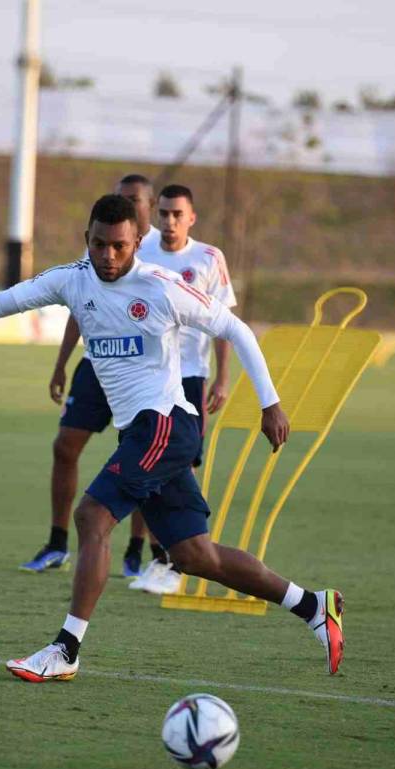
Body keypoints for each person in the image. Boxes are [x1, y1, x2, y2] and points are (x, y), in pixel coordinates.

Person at [0, 194, 345, 680]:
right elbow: (5, 300)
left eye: (119, 246)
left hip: (165, 426)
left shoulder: (162, 286)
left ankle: (66, 649)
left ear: (138, 241)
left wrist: (270, 403)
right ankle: (312, 605)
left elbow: (237, 328)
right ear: (86, 240)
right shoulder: (72, 279)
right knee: (195, 556)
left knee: (92, 516)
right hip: (140, 433)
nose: (108, 256)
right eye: (99, 245)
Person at [21, 173, 161, 575]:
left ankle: (136, 551)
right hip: (97, 364)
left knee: (143, 460)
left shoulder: (158, 257)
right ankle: (56, 544)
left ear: (148, 205)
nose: (126, 203)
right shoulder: (101, 249)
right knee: (64, 446)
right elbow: (80, 304)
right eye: (121, 197)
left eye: (134, 198)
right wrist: (62, 363)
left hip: (141, 373)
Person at [129, 183, 237, 594]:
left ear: (192, 217)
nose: (170, 221)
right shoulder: (142, 252)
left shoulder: (209, 258)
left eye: (179, 214)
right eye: (165, 214)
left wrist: (222, 378)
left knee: (182, 468)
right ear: (156, 215)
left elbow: (224, 323)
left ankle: (177, 562)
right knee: (145, 463)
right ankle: (162, 560)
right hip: (150, 377)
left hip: (191, 376)